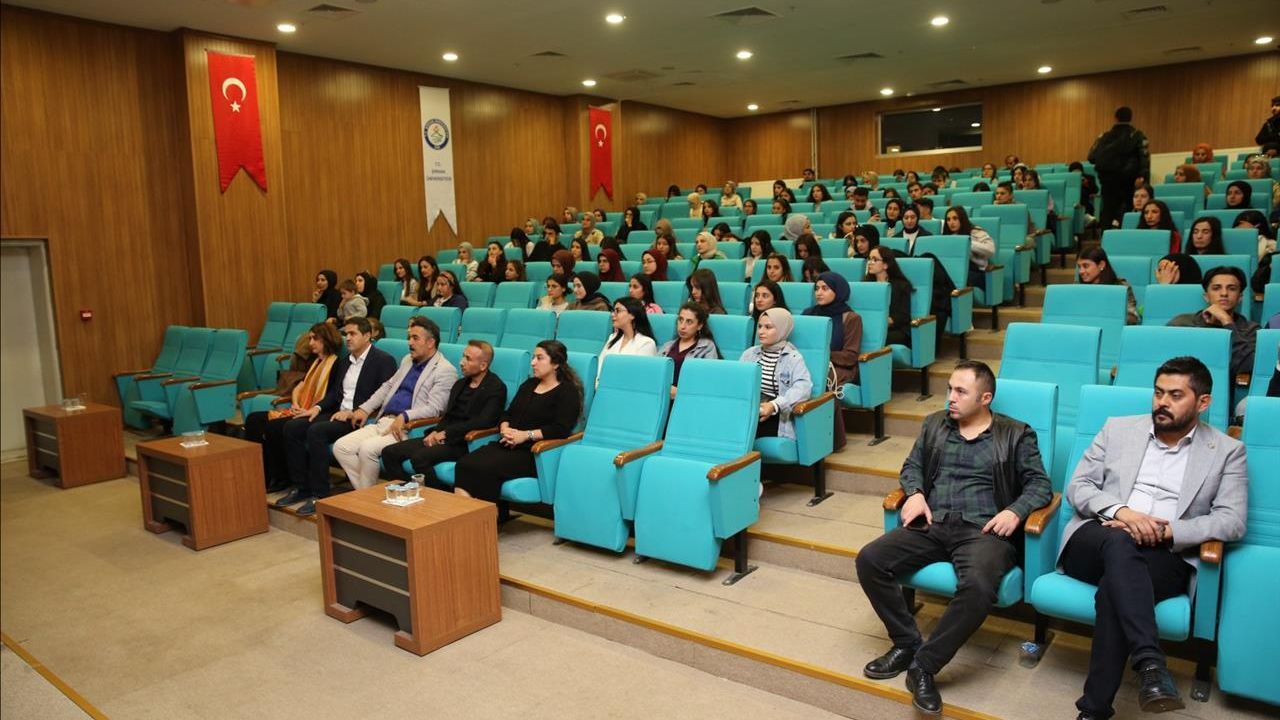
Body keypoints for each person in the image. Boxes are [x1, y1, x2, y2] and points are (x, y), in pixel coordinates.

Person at [855, 361, 1052, 716]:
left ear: (985, 398)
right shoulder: (934, 424)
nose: (951, 397)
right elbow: (912, 466)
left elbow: (1040, 485)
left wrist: (1015, 511)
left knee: (978, 587)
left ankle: (924, 666)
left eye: (961, 391)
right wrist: (915, 493)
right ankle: (906, 642)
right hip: (933, 522)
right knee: (870, 560)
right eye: (949, 389)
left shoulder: (1016, 433)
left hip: (984, 531)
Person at [1058, 357, 1247, 720]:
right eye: (1159, 392)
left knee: (1115, 588)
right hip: (1098, 538)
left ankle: (1095, 710)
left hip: (1164, 553)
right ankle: (1150, 662)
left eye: (1175, 395)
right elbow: (1078, 487)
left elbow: (1232, 520)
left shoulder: (1226, 451)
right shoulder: (1117, 429)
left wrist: (1168, 531)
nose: (1162, 402)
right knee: (1120, 544)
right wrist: (1123, 513)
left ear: (1203, 402)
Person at [277, 317, 398, 515]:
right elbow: (334, 393)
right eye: (345, 334)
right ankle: (301, 487)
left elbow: (386, 396)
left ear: (367, 336)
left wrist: (355, 411)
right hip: (337, 413)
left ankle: (320, 494)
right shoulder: (345, 361)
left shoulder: (383, 360)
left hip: (359, 418)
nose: (347, 338)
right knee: (292, 427)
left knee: (317, 431)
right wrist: (317, 408)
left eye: (352, 334)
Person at [331, 316, 457, 490]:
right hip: (384, 420)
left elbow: (435, 408)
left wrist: (405, 416)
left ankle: (366, 497)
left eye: (415, 338)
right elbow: (387, 387)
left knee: (367, 449)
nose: (409, 343)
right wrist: (364, 409)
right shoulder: (407, 360)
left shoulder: (445, 370)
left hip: (408, 428)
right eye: (409, 338)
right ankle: (367, 494)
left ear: (430, 342)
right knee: (341, 447)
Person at [453, 340, 582, 503]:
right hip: (507, 444)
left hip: (534, 453)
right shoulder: (529, 384)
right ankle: (468, 514)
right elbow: (508, 414)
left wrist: (526, 435)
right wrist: (505, 428)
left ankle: (486, 515)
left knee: (484, 468)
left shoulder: (567, 392)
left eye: (539, 358)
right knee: (464, 463)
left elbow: (560, 429)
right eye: (533, 357)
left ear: (555, 363)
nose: (533, 362)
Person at [380, 340, 507, 486]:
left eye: (468, 359)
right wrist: (436, 431)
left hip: (464, 442)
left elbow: (484, 421)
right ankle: (406, 492)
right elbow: (448, 415)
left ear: (483, 366)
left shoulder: (496, 387)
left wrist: (446, 433)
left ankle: (439, 497)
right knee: (389, 453)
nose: (461, 362)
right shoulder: (460, 384)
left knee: (419, 458)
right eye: (463, 356)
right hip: (444, 435)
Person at [243, 322, 340, 492]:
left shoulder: (336, 364)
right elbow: (299, 387)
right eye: (310, 338)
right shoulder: (315, 362)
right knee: (253, 419)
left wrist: (310, 408)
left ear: (326, 339)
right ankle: (262, 476)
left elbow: (333, 396)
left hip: (318, 412)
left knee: (274, 427)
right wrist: (295, 403)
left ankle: (284, 478)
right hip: (301, 407)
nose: (310, 343)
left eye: (314, 339)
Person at [1167, 266, 1259, 376]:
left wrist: (1227, 321)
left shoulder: (1251, 330)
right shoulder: (1181, 324)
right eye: (1216, 288)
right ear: (1206, 296)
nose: (1224, 293)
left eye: (1232, 289)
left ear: (1240, 297)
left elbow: (1247, 367)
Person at [740, 308, 812, 441]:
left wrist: (774, 405)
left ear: (782, 329)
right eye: (760, 326)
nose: (761, 331)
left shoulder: (793, 358)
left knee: (741, 431)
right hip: (749, 408)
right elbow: (738, 382)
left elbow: (803, 388)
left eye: (768, 327)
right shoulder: (749, 354)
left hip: (776, 414)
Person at [1089, 106, 1151, 229]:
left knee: (1107, 210)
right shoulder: (1138, 135)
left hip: (1107, 181)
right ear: (1131, 118)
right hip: (1129, 180)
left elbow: (1091, 157)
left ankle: (1106, 237)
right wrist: (1143, 176)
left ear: (1115, 118)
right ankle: (1125, 234)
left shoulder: (1103, 136)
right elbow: (1144, 157)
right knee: (1127, 209)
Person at [660, 301, 721, 399]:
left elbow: (708, 381)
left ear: (699, 326)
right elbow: (655, 374)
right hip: (663, 397)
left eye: (689, 322)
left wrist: (680, 393)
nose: (682, 326)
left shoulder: (707, 347)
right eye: (680, 320)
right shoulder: (667, 346)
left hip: (690, 400)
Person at [597, 297, 658, 382]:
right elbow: (599, 366)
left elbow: (639, 377)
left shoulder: (646, 343)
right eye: (613, 311)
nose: (612, 314)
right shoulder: (612, 337)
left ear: (632, 315)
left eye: (618, 311)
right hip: (603, 385)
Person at [1076, 247, 1140, 325]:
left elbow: (1133, 318)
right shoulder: (1077, 289)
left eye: (1086, 266)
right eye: (1079, 267)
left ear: (1101, 265)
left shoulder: (1121, 287)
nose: (1081, 271)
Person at [866, 247, 914, 346]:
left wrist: (883, 322)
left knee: (876, 338)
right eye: (869, 259)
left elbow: (903, 316)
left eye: (874, 259)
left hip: (896, 330)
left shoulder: (901, 286)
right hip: (873, 328)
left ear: (885, 265)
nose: (870, 263)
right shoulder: (866, 285)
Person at [942, 206, 996, 289]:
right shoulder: (947, 237)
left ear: (962, 219)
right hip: (955, 271)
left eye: (955, 218)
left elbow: (990, 250)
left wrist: (966, 243)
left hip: (976, 272)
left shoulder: (975, 231)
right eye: (948, 220)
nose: (951, 222)